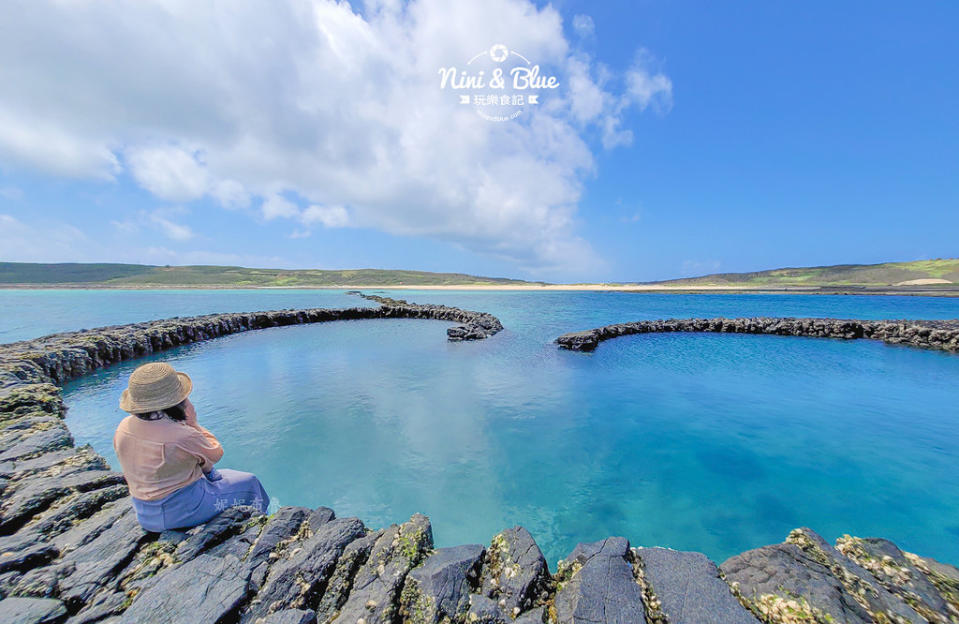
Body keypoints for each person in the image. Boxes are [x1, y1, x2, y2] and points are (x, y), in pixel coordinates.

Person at [113, 361, 270, 532]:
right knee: (250, 482)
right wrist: (193, 423)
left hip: (145, 514)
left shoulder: (123, 427)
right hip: (184, 511)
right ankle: (262, 524)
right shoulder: (181, 435)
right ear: (176, 400)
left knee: (221, 476)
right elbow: (215, 453)